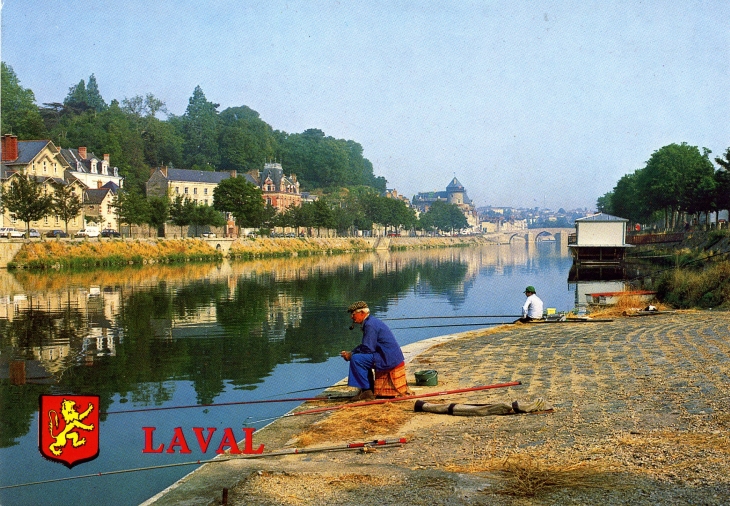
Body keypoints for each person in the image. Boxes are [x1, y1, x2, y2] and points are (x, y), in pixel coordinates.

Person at [340, 301, 405, 401]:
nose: (351, 317)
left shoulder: (370, 325)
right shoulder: (371, 321)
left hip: (386, 358)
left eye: (353, 314)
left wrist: (351, 354)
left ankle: (367, 391)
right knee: (359, 357)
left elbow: (367, 348)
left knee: (356, 359)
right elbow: (367, 346)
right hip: (388, 355)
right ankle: (367, 388)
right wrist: (352, 352)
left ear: (362, 313)